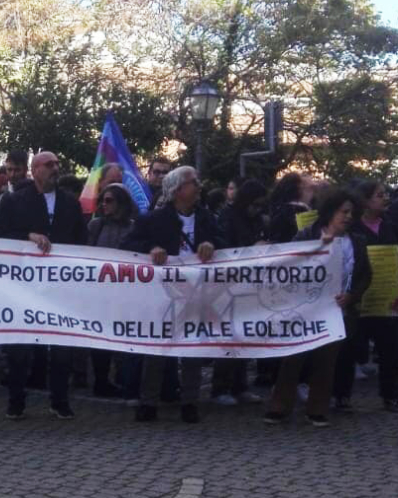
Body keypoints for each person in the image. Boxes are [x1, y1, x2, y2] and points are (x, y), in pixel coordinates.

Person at [120, 166, 224, 424]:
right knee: (157, 349)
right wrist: (150, 248)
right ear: (178, 190)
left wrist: (214, 245)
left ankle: (190, 402)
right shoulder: (153, 219)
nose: (199, 186)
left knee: (192, 349)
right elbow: (128, 245)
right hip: (162, 294)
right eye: (193, 182)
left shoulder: (208, 218)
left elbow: (227, 241)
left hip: (198, 293)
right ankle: (148, 402)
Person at [265, 188, 371, 427]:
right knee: (293, 358)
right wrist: (315, 249)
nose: (348, 217)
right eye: (344, 212)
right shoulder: (307, 235)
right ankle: (279, 407)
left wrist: (352, 296)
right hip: (304, 311)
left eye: (352, 213)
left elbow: (365, 275)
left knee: (327, 361)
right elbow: (288, 263)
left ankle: (317, 409)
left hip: (338, 312)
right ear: (331, 212)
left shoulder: (357, 242)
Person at [0, 151, 87, 420]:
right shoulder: (13, 201)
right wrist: (28, 237)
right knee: (20, 350)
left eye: (58, 164)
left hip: (60, 286)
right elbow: (0, 235)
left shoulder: (71, 203)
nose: (55, 168)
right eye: (49, 165)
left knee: (61, 349)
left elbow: (81, 240)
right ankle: (16, 401)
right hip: (24, 286)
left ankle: (59, 400)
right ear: (34, 170)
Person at [340, 181, 397, 412]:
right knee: (349, 348)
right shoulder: (352, 230)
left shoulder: (391, 226)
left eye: (384, 195)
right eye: (379, 195)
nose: (384, 199)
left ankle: (390, 395)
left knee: (390, 348)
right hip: (358, 299)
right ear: (364, 201)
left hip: (386, 300)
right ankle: (341, 395)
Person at [212, 180, 269, 406]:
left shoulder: (255, 219)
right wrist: (251, 247)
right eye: (255, 204)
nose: (258, 209)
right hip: (229, 283)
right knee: (228, 336)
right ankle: (220, 387)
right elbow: (225, 246)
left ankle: (240, 385)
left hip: (249, 284)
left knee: (244, 335)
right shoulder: (227, 217)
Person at [86, 183, 136, 398]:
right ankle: (101, 380)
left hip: (125, 290)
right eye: (102, 201)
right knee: (100, 338)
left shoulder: (134, 227)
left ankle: (124, 379)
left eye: (109, 201)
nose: (104, 205)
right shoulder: (95, 226)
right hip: (100, 291)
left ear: (121, 203)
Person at [268, 172, 316, 244]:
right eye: (310, 189)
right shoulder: (302, 211)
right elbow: (311, 238)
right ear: (299, 190)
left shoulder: (277, 210)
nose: (313, 193)